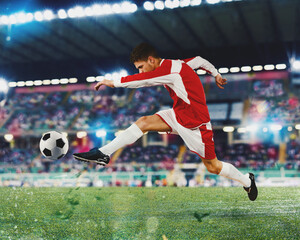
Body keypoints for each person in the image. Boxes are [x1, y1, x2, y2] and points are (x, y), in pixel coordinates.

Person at [73, 43, 258, 201]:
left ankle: (247, 181)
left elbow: (141, 80)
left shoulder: (168, 69)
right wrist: (216, 73)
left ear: (151, 60)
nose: (140, 70)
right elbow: (200, 60)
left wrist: (111, 82)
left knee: (213, 167)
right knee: (144, 122)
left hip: (196, 125)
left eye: (141, 66)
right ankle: (103, 153)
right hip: (178, 115)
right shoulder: (177, 64)